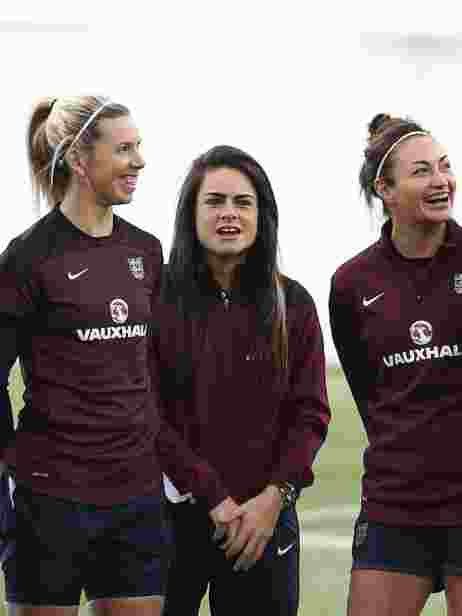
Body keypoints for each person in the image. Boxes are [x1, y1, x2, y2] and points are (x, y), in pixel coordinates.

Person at [329, 114, 462, 616]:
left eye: (445, 167)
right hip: (395, 499)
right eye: (422, 171)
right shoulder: (352, 283)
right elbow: (369, 393)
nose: (441, 181)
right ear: (385, 188)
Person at [0, 96, 166, 615]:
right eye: (123, 149)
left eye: (139, 147)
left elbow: (158, 370)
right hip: (51, 502)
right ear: (78, 159)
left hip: (137, 499)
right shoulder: (28, 257)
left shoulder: (146, 251)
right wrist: (14, 467)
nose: (139, 160)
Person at [151, 145, 331, 615]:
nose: (228, 214)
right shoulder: (157, 298)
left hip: (263, 524)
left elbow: (310, 414)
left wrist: (275, 498)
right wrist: (211, 494)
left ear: (262, 214)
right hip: (168, 521)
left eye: (242, 202)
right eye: (214, 202)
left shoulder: (292, 302)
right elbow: (146, 413)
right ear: (191, 213)